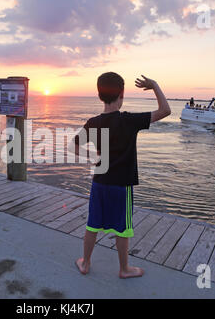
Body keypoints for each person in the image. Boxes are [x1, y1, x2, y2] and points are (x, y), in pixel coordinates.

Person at [71, 73, 171, 279]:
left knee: (92, 225)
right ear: (122, 94)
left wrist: (93, 159)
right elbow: (165, 110)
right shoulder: (129, 121)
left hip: (99, 183)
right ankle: (124, 269)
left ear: (99, 95)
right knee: (122, 229)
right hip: (121, 186)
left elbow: (74, 145)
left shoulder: (93, 122)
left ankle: (85, 263)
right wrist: (154, 85)